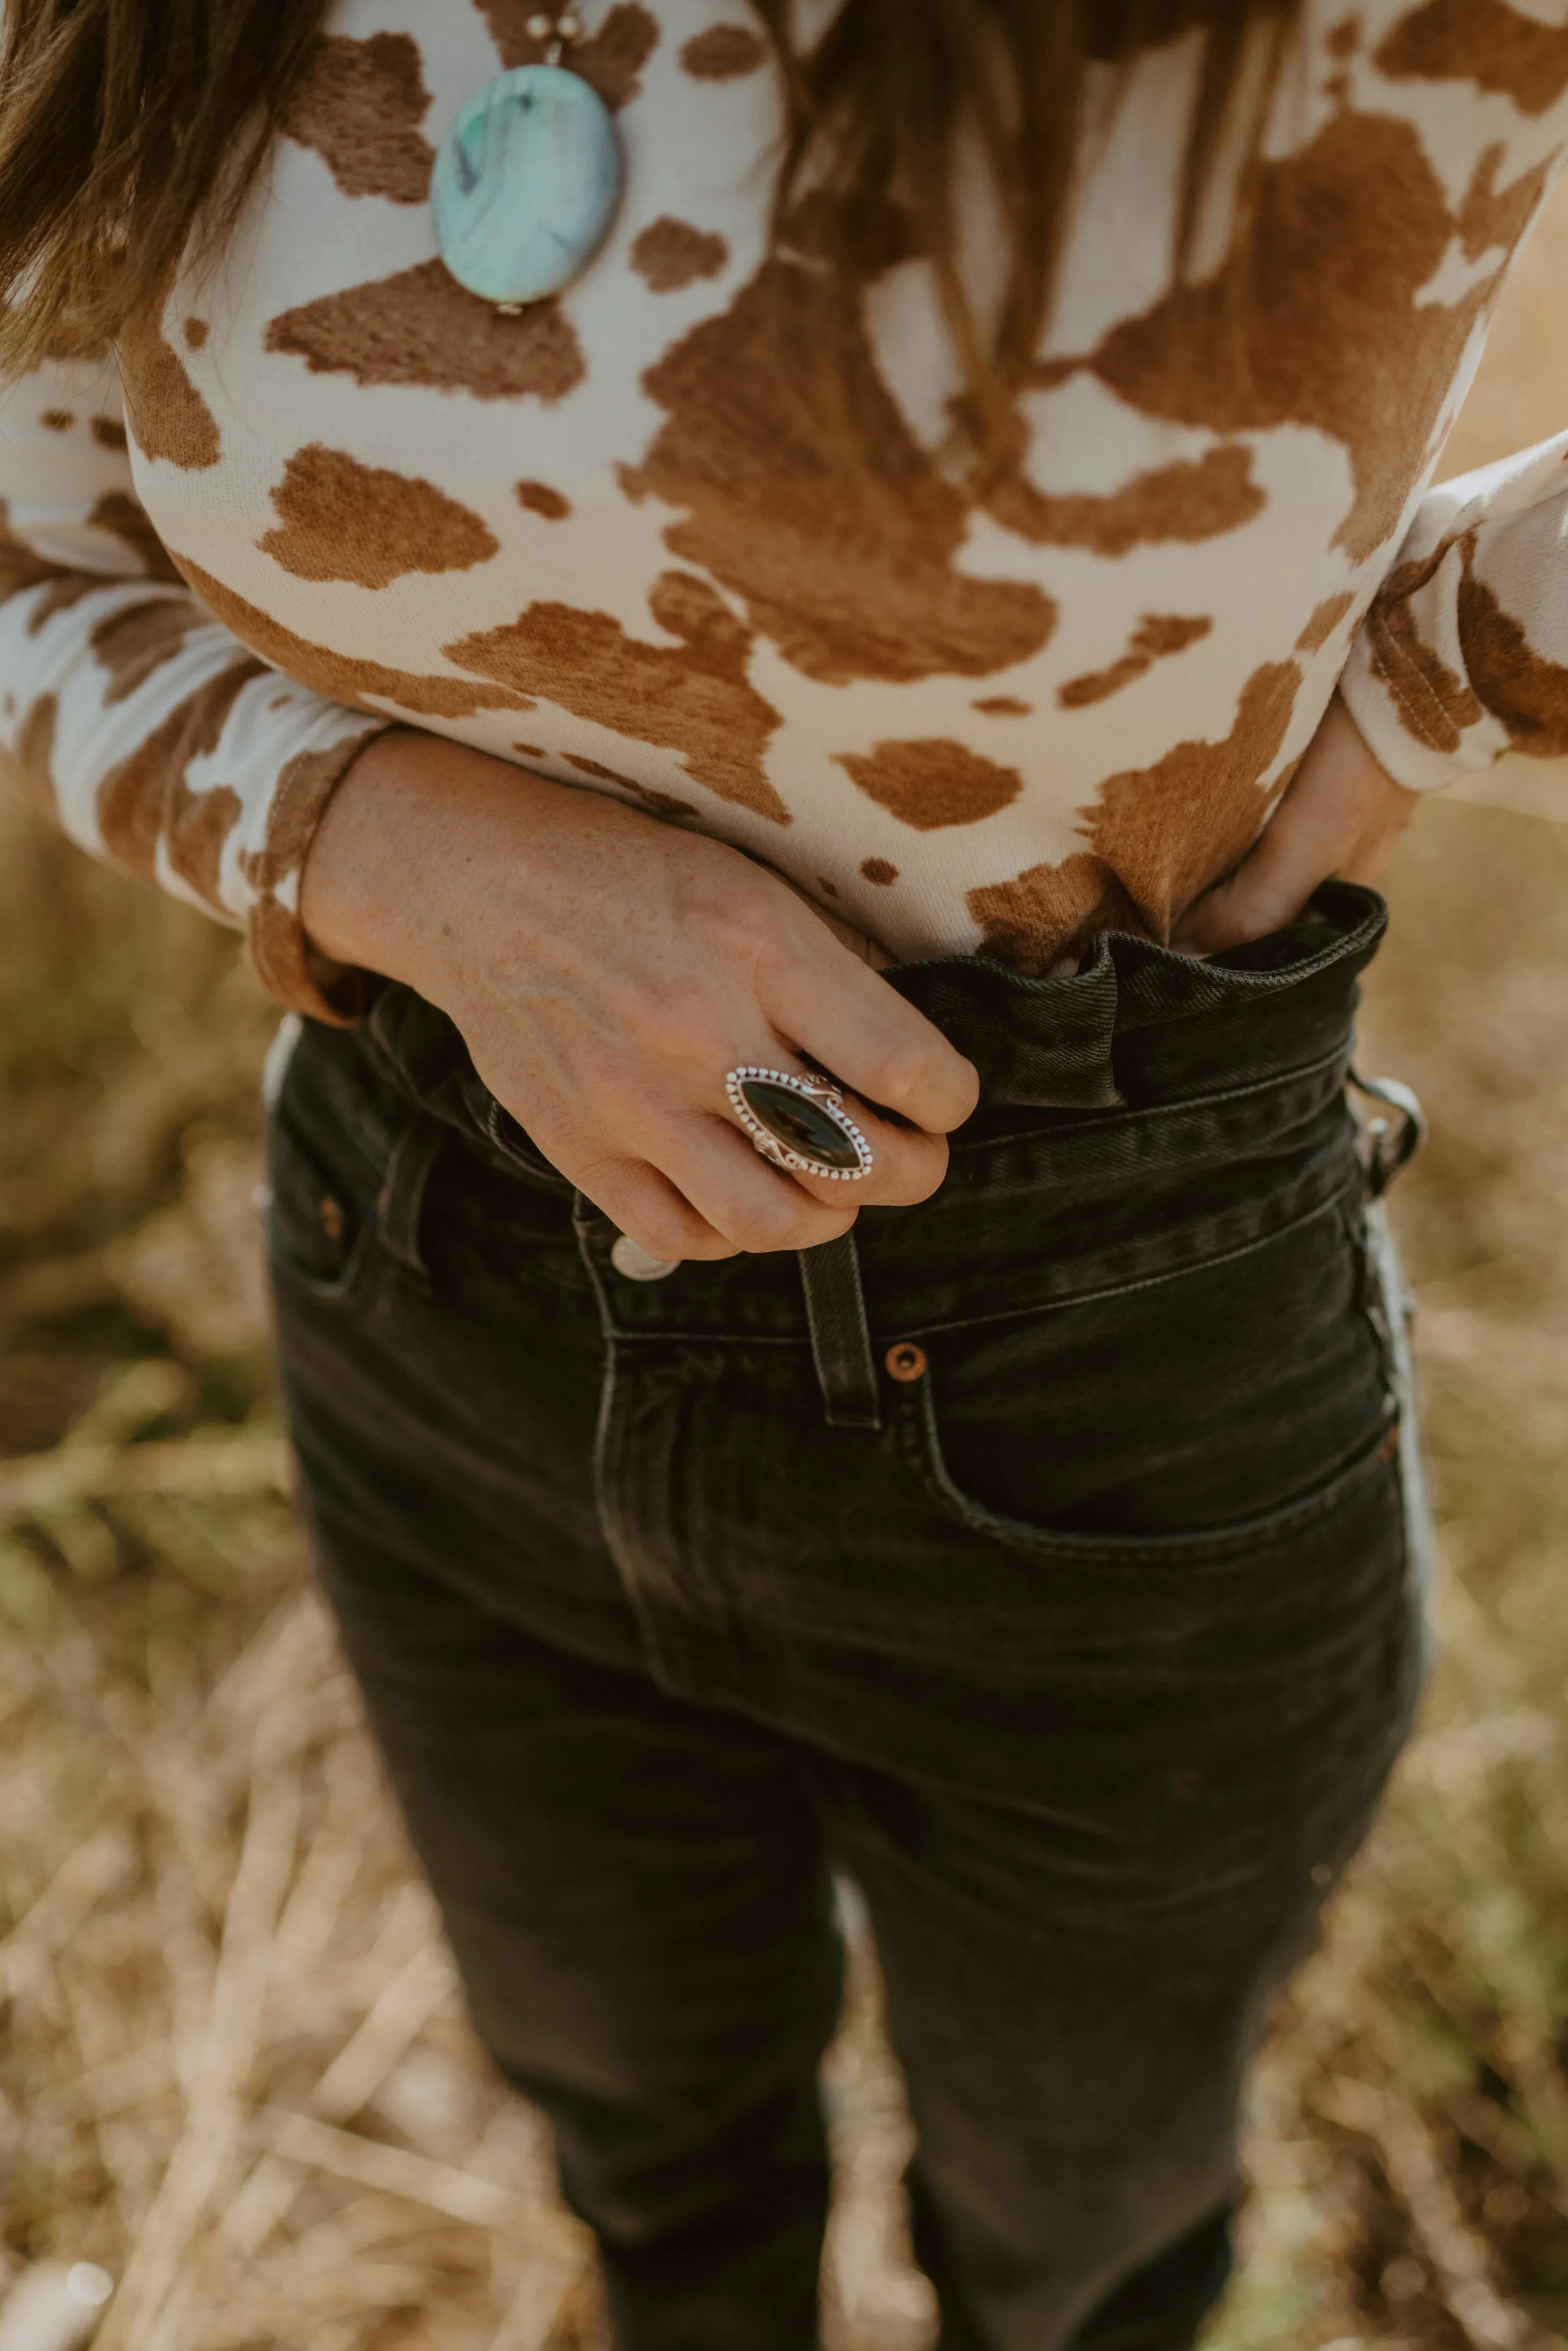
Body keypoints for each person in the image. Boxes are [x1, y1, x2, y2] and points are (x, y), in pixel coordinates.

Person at [0, 0, 1562, 2340]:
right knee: (653, 2165)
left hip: (1110, 1392)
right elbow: (31, 545)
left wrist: (1456, 653)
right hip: (427, 1276)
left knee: (1078, 2249)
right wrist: (376, 840)